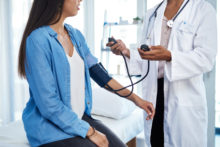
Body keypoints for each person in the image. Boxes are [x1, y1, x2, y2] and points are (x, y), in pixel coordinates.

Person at [17, 0, 155, 147]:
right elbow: (48, 104)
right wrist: (90, 132)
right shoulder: (37, 40)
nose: (80, 0)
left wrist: (137, 100)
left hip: (78, 118)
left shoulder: (75, 35)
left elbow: (100, 75)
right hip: (49, 127)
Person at [107, 0, 217, 147]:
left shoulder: (202, 10)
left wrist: (170, 56)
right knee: (156, 141)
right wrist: (126, 52)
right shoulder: (152, 13)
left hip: (184, 99)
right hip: (154, 96)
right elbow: (146, 61)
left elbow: (205, 58)